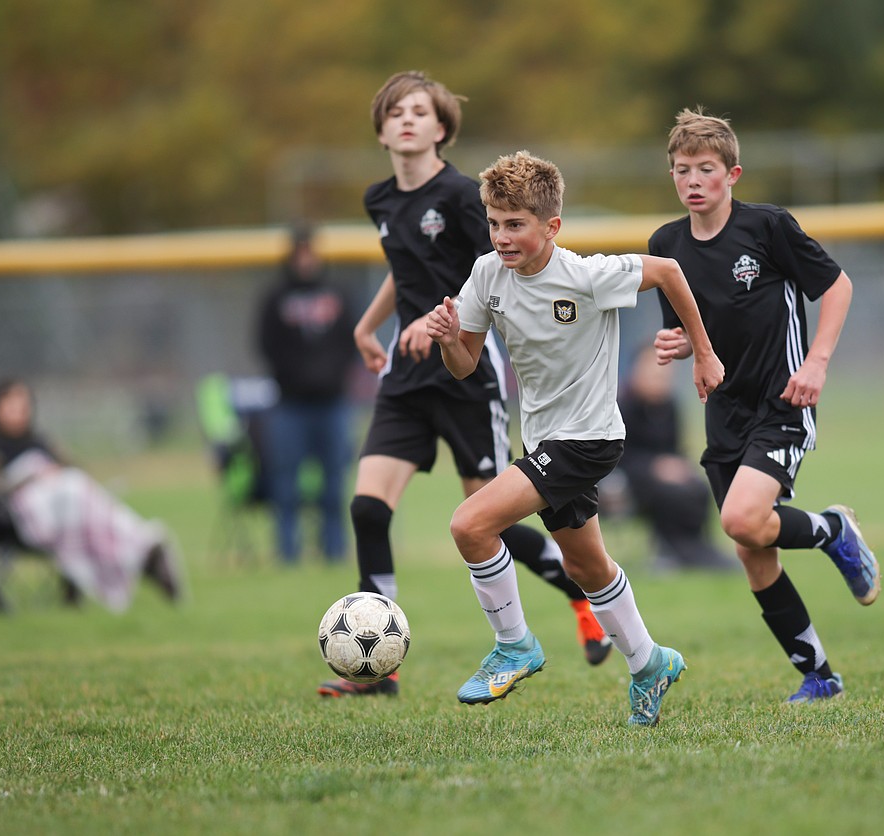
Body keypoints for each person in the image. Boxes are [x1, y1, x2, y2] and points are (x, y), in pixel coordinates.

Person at [317, 71, 612, 698]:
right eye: (394, 111)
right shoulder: (380, 200)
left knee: (492, 523)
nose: (406, 120)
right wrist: (369, 327)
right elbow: (405, 272)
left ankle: (582, 595)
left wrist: (439, 321)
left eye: (419, 111)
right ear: (379, 129)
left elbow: (494, 273)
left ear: (442, 127)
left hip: (463, 373)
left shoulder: (459, 196)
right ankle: (380, 670)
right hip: (404, 377)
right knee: (367, 507)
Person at [427, 150, 725, 726]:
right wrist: (446, 339)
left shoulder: (587, 276)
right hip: (545, 440)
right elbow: (463, 364)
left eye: (515, 224)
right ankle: (649, 662)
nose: (502, 237)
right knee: (587, 566)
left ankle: (514, 645)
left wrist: (704, 352)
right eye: (493, 223)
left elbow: (667, 271)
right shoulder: (487, 274)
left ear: (551, 226)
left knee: (470, 524)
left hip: (587, 439)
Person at [649, 109, 880, 704]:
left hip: (782, 401)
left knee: (741, 521)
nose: (693, 179)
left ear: (733, 175)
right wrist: (675, 344)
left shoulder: (768, 227)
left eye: (706, 169)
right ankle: (820, 676)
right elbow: (685, 332)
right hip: (723, 412)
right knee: (754, 553)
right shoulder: (666, 245)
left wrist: (818, 363)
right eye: (682, 170)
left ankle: (834, 531)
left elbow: (837, 286)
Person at [0, 378, 182, 612]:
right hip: (19, 521)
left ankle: (135, 550)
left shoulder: (41, 442)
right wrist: (31, 477)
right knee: (74, 492)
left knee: (76, 488)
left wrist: (55, 473)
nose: (18, 411)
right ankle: (141, 550)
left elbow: (76, 470)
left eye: (23, 404)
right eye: (10, 405)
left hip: (69, 510)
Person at [255, 223, 357, 564]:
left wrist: (331, 375)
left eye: (308, 252)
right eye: (298, 253)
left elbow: (350, 342)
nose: (304, 260)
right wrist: (295, 376)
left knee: (333, 485)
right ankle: (287, 554)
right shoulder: (275, 297)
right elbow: (266, 345)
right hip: (290, 405)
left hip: (332, 404)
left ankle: (334, 552)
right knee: (285, 486)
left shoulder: (338, 293)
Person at [617, 343, 738, 573]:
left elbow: (675, 448)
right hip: (629, 477)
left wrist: (679, 466)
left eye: (663, 376)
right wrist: (655, 466)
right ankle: (674, 550)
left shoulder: (669, 405)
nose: (659, 381)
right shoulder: (623, 405)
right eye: (652, 374)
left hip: (664, 472)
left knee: (697, 484)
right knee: (668, 491)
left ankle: (700, 546)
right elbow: (619, 456)